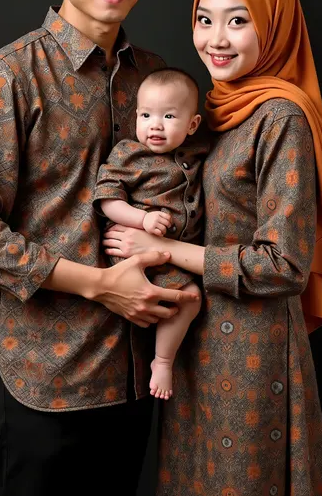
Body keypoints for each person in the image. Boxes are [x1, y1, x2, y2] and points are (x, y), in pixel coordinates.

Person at [0, 0, 199, 496]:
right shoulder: (8, 78)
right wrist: (103, 286)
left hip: (140, 375)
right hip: (46, 380)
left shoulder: (156, 79)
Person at [102, 0, 322, 495]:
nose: (216, 38)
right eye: (205, 19)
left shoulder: (281, 117)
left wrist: (162, 250)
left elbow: (283, 266)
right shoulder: (208, 110)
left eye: (238, 20)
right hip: (195, 345)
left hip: (252, 353)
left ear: (274, 26)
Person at [94, 67, 207, 400]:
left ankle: (161, 355)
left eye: (169, 116)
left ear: (192, 125)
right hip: (135, 250)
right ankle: (162, 361)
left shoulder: (195, 155)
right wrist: (141, 220)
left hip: (173, 253)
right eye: (146, 115)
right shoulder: (129, 154)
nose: (155, 125)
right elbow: (108, 201)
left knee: (187, 301)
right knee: (191, 299)